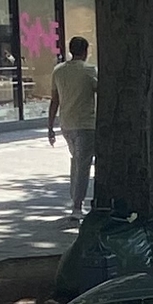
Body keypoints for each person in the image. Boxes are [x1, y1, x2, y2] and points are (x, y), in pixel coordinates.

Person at [47, 34, 98, 217]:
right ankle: (77, 205)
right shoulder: (89, 70)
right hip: (86, 124)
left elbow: (54, 100)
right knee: (83, 165)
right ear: (85, 52)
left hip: (66, 123)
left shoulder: (58, 71)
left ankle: (75, 199)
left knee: (76, 161)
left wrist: (50, 126)